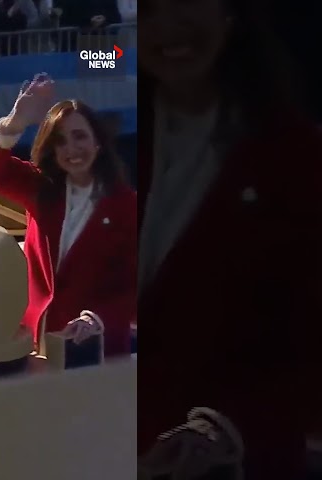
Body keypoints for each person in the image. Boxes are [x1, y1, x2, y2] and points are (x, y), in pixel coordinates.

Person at [136, 0, 322, 478]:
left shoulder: (294, 155)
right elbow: (91, 56)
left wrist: (226, 428)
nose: (166, 27)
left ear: (230, 13)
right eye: (148, 9)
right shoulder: (100, 140)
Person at [0, 73, 137, 356]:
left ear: (98, 144)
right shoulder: (41, 189)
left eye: (80, 137)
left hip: (97, 350)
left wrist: (96, 319)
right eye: (60, 141)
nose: (71, 149)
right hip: (37, 343)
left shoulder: (126, 205)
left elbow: (134, 284)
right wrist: (16, 122)